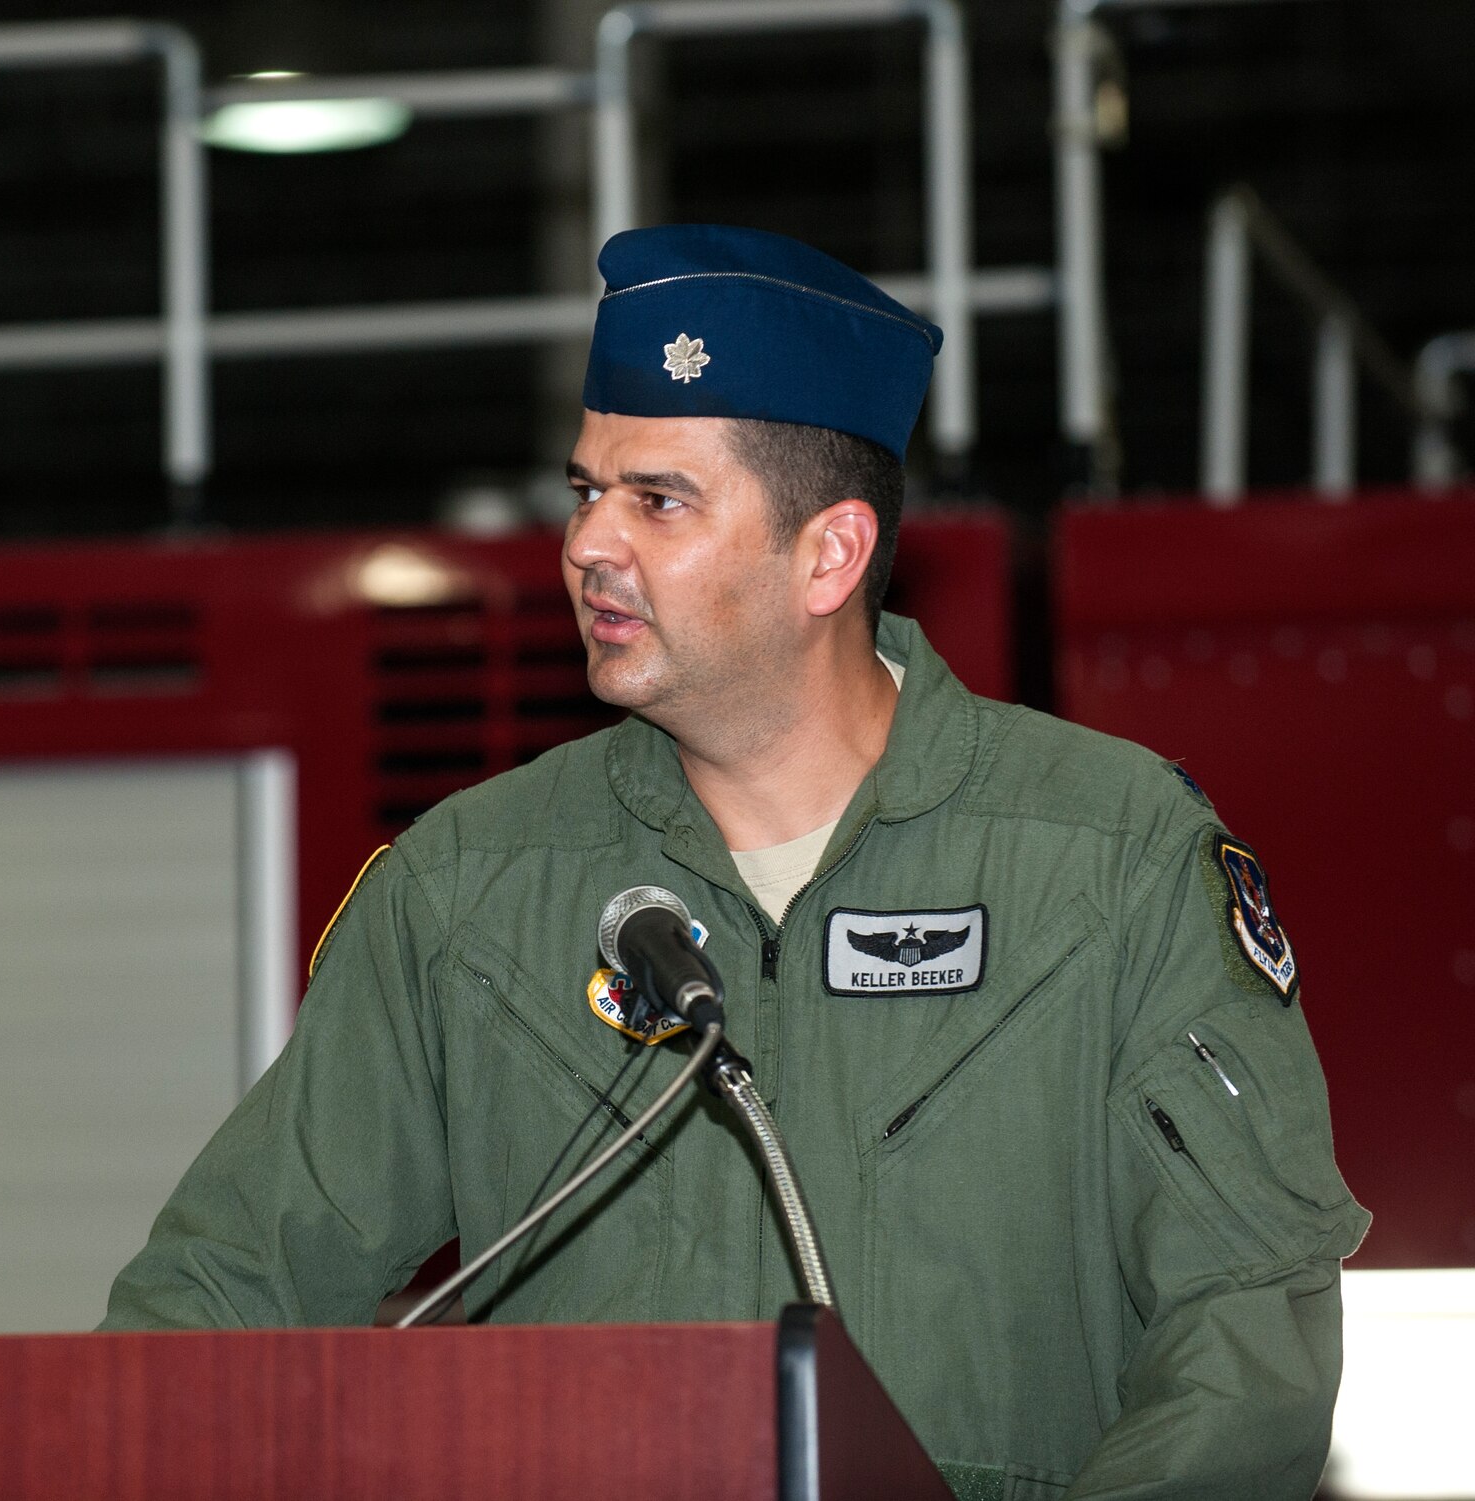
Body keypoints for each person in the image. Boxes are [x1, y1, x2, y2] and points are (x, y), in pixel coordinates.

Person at [100, 224, 1369, 1500]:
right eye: (584, 492)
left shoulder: (1107, 858)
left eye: (657, 501)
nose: (587, 544)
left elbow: (1242, 1339)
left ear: (829, 555)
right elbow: (221, 1291)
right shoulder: (469, 890)